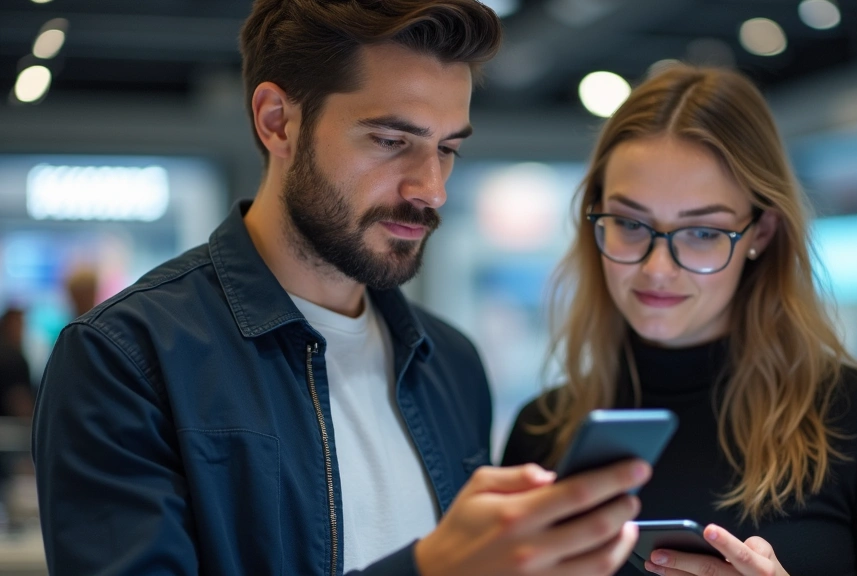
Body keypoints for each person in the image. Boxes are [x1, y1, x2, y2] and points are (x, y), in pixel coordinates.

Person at [33, 1, 651, 575]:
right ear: (278, 123)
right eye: (390, 141)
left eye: (448, 149)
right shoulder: (125, 359)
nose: (430, 188)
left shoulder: (450, 363)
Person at [502, 63, 857, 575]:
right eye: (629, 223)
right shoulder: (542, 432)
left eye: (703, 233)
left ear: (761, 232)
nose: (658, 268)